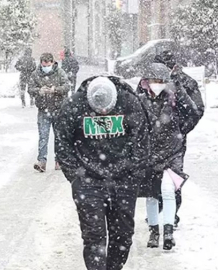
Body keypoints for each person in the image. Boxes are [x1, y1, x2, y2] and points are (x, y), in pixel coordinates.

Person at [55, 76, 149, 270]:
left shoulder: (129, 102)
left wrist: (134, 173)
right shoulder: (74, 105)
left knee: (122, 235)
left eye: (108, 109)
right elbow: (62, 143)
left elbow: (141, 140)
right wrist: (75, 177)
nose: (104, 112)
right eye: (100, 110)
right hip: (88, 180)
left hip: (123, 180)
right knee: (94, 237)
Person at [137, 63, 201, 250]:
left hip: (172, 151)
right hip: (149, 153)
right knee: (151, 194)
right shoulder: (140, 100)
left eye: (160, 81)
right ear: (146, 82)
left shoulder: (175, 97)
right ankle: (154, 230)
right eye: (153, 81)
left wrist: (180, 131)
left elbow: (193, 113)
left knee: (168, 190)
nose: (156, 84)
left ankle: (168, 231)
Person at [153, 51, 205, 227]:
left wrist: (181, 129)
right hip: (153, 139)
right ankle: (157, 210)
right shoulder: (148, 81)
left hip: (175, 139)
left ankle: (172, 213)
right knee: (153, 177)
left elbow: (196, 110)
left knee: (173, 176)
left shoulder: (186, 82)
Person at [28, 53, 69, 172]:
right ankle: (42, 161)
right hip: (43, 110)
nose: (46, 67)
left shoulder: (60, 73)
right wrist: (39, 91)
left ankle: (59, 161)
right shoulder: (36, 74)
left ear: (52, 63)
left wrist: (55, 90)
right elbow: (30, 89)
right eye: (44, 64)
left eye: (48, 64)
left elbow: (67, 86)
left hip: (58, 109)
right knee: (43, 137)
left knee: (59, 137)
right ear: (41, 63)